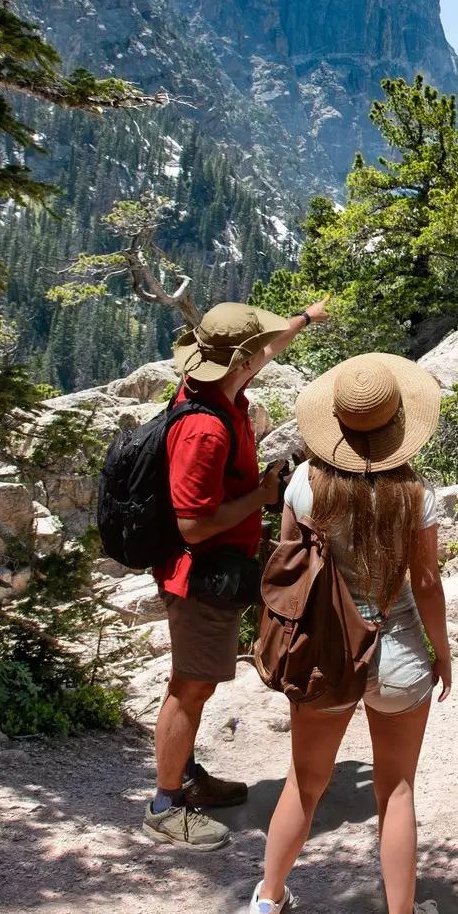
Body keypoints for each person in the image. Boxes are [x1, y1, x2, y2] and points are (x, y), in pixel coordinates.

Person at [249, 352, 454, 914]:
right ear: (397, 427)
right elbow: (426, 582)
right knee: (396, 788)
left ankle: (267, 901)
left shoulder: (304, 486)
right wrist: (442, 653)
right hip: (397, 650)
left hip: (326, 653)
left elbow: (289, 563)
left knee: (304, 782)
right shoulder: (414, 493)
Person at [143, 298, 330, 851]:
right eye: (254, 352)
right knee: (190, 687)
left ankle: (187, 777)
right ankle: (165, 804)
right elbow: (193, 524)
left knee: (196, 684)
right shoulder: (207, 429)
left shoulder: (214, 390)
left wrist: (305, 318)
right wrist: (262, 496)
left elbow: (265, 350)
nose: (262, 357)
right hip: (197, 576)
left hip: (212, 573)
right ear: (239, 361)